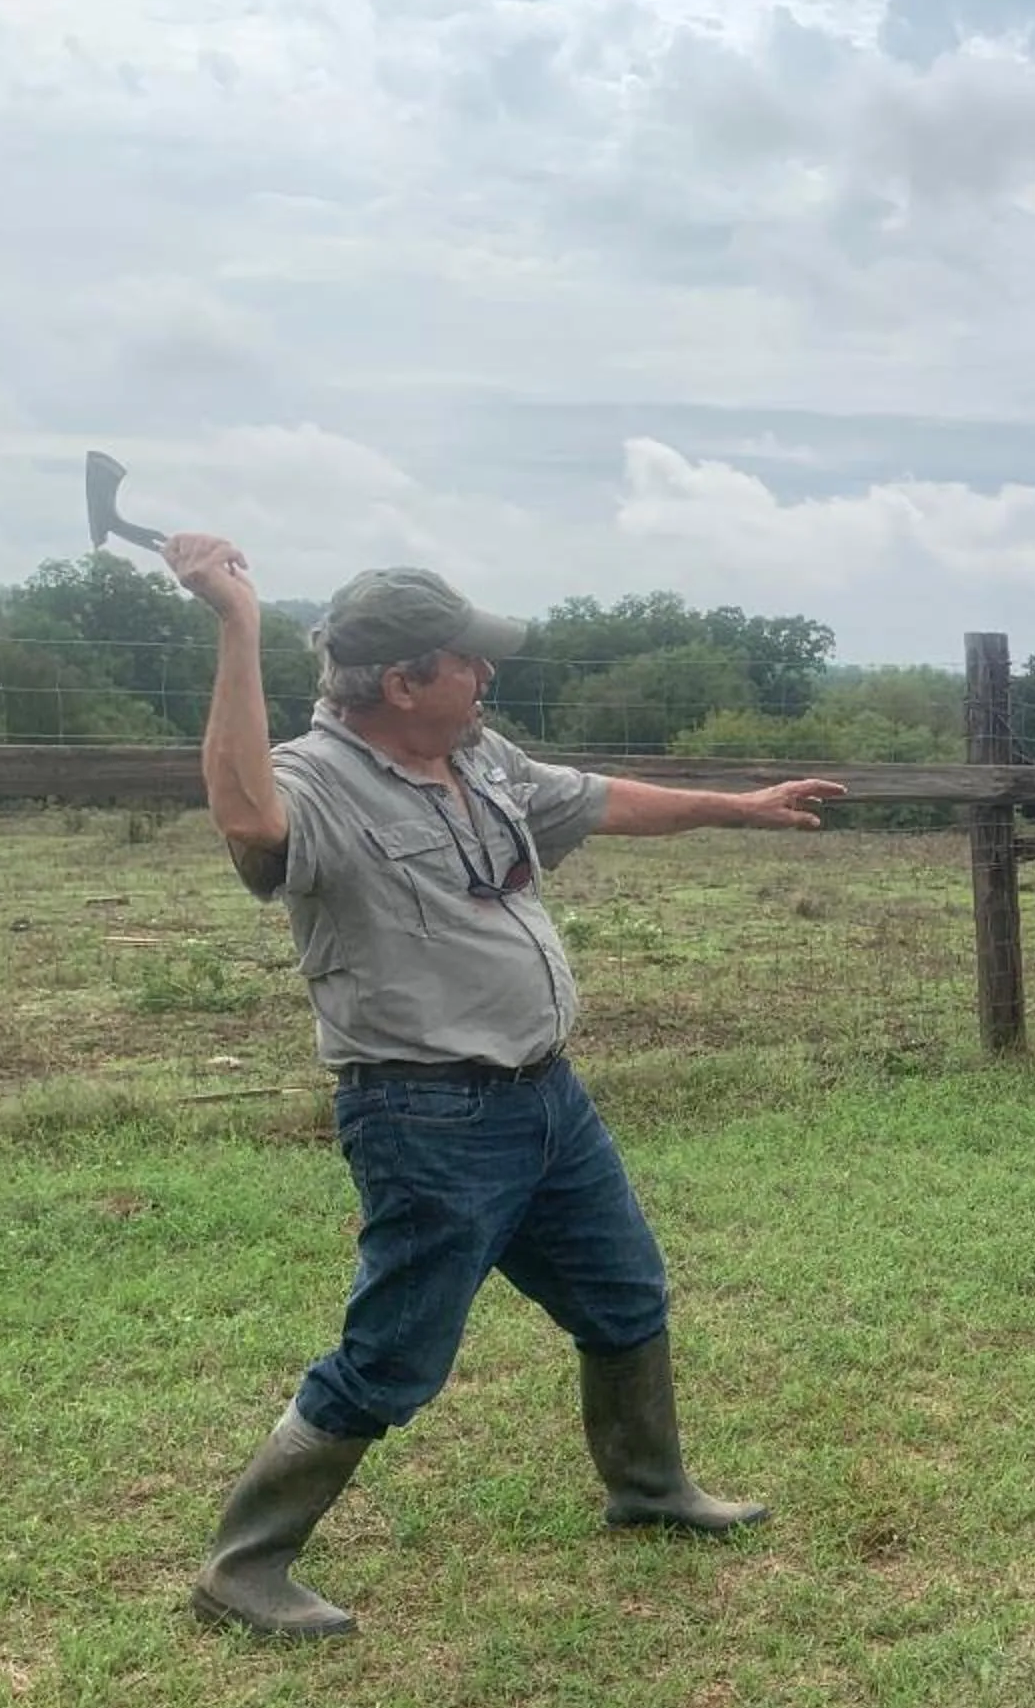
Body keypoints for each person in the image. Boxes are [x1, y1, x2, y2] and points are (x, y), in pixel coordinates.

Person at [164, 533, 845, 1639]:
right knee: (394, 1356)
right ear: (404, 681)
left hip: (546, 1100)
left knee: (625, 1294)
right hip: (425, 1115)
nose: (488, 676)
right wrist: (237, 626)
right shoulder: (314, 783)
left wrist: (741, 805)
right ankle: (242, 1567)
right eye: (468, 661)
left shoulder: (481, 757)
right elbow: (247, 823)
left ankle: (648, 1486)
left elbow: (597, 799)